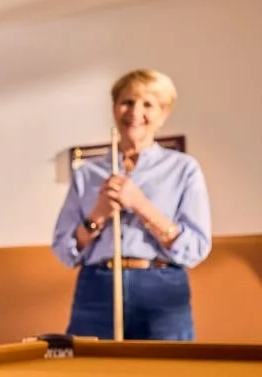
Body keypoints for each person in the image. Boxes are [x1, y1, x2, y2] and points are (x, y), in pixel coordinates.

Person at [51, 69, 212, 340]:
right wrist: (99, 214)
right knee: (90, 366)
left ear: (163, 113)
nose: (135, 112)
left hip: (162, 288)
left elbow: (196, 248)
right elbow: (64, 250)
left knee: (168, 366)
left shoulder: (184, 169)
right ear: (114, 109)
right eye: (127, 102)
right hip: (97, 287)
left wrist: (140, 205)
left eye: (148, 104)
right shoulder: (87, 174)